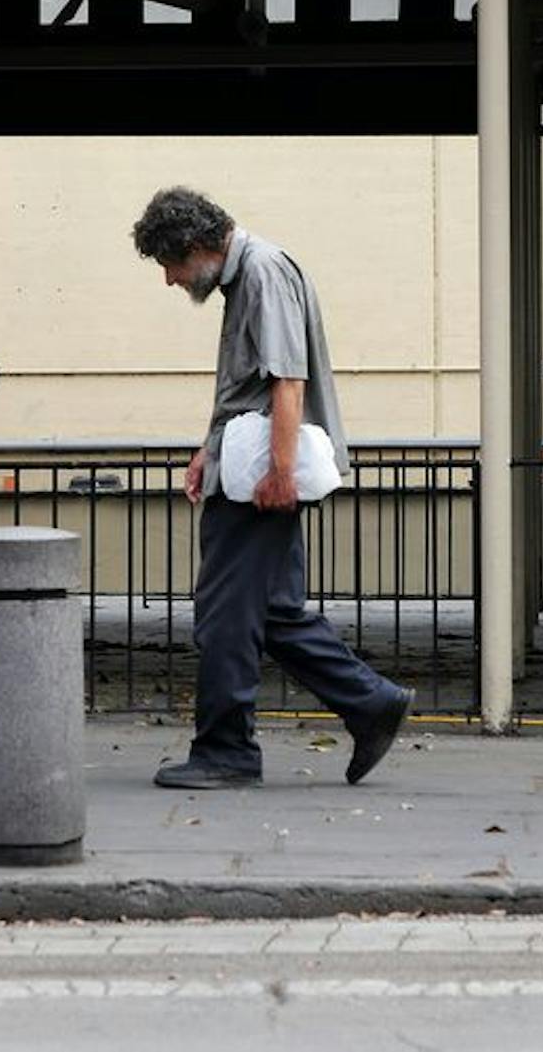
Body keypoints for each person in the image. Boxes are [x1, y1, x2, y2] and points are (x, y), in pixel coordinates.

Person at [130, 187, 412, 790]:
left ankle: (226, 751)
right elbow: (251, 389)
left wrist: (279, 473)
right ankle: (371, 704)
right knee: (276, 613)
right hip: (252, 470)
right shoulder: (251, 275)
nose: (170, 280)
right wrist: (210, 451)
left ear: (196, 247)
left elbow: (288, 381)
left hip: (260, 482)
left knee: (224, 614)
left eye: (168, 264)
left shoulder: (261, 272)